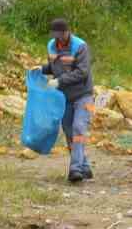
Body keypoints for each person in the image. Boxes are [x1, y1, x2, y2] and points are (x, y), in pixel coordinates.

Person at [41, 18, 95, 184]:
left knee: (79, 128)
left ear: (67, 32)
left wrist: (59, 81)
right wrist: (41, 70)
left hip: (84, 95)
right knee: (69, 132)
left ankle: (75, 168)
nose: (59, 39)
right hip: (64, 97)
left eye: (61, 35)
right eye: (55, 35)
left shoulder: (80, 46)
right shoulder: (51, 45)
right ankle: (84, 166)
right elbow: (54, 67)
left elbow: (82, 72)